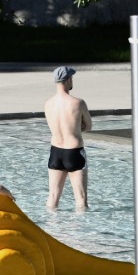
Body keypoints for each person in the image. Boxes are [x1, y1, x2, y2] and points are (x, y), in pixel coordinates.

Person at [44, 66, 92, 210]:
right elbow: (89, 126)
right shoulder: (78, 103)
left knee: (53, 196)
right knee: (81, 199)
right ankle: (83, 224)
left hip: (55, 152)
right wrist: (76, 129)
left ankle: (49, 223)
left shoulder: (48, 103)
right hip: (74, 151)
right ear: (69, 79)